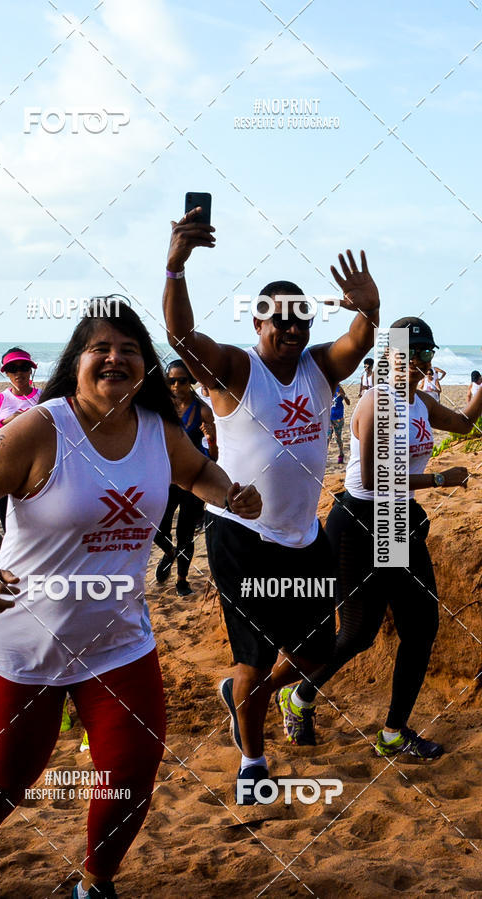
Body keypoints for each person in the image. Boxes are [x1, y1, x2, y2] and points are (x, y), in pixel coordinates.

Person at [0, 303, 260, 899]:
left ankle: (95, 884)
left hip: (118, 640)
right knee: (11, 776)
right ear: (76, 363)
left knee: (131, 773)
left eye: (130, 349)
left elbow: (197, 473)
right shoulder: (40, 427)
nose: (116, 358)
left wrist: (231, 494)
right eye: (101, 349)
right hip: (22, 637)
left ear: (145, 366)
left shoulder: (158, 429)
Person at [163, 206, 380, 804]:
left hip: (303, 536)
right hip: (240, 533)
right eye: (281, 321)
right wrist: (176, 268)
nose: (293, 330)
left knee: (314, 651)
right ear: (259, 321)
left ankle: (241, 696)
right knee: (255, 659)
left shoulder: (317, 368)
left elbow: (358, 341)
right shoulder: (236, 368)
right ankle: (252, 762)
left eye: (302, 322)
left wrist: (369, 308)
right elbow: (182, 337)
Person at [286, 318, 482, 758]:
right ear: (391, 358)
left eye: (426, 354)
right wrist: (438, 477)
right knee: (358, 634)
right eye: (409, 354)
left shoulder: (422, 403)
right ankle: (297, 696)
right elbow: (375, 476)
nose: (418, 363)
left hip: (397, 519)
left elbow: (466, 425)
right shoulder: (378, 402)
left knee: (422, 627)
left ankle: (393, 733)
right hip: (360, 520)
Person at [153, 359, 218, 596]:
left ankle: (182, 580)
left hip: (192, 482)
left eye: (182, 380)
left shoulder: (202, 411)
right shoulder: (163, 409)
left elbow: (214, 456)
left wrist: (210, 440)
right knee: (157, 529)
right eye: (171, 381)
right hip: (166, 481)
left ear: (190, 381)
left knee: (185, 533)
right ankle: (169, 553)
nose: (176, 386)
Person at [0, 348, 40, 553]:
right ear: (5, 372)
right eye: (13, 368)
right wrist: (7, 422)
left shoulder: (45, 398)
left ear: (31, 370)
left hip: (38, 471)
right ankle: (2, 555)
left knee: (31, 528)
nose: (19, 372)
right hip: (3, 471)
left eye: (24, 367)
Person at [328, 384, 350, 464]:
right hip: (328, 418)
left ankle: (341, 455)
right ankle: (324, 457)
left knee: (338, 438)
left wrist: (343, 396)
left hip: (338, 418)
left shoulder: (339, 388)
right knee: (328, 437)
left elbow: (348, 402)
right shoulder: (327, 387)